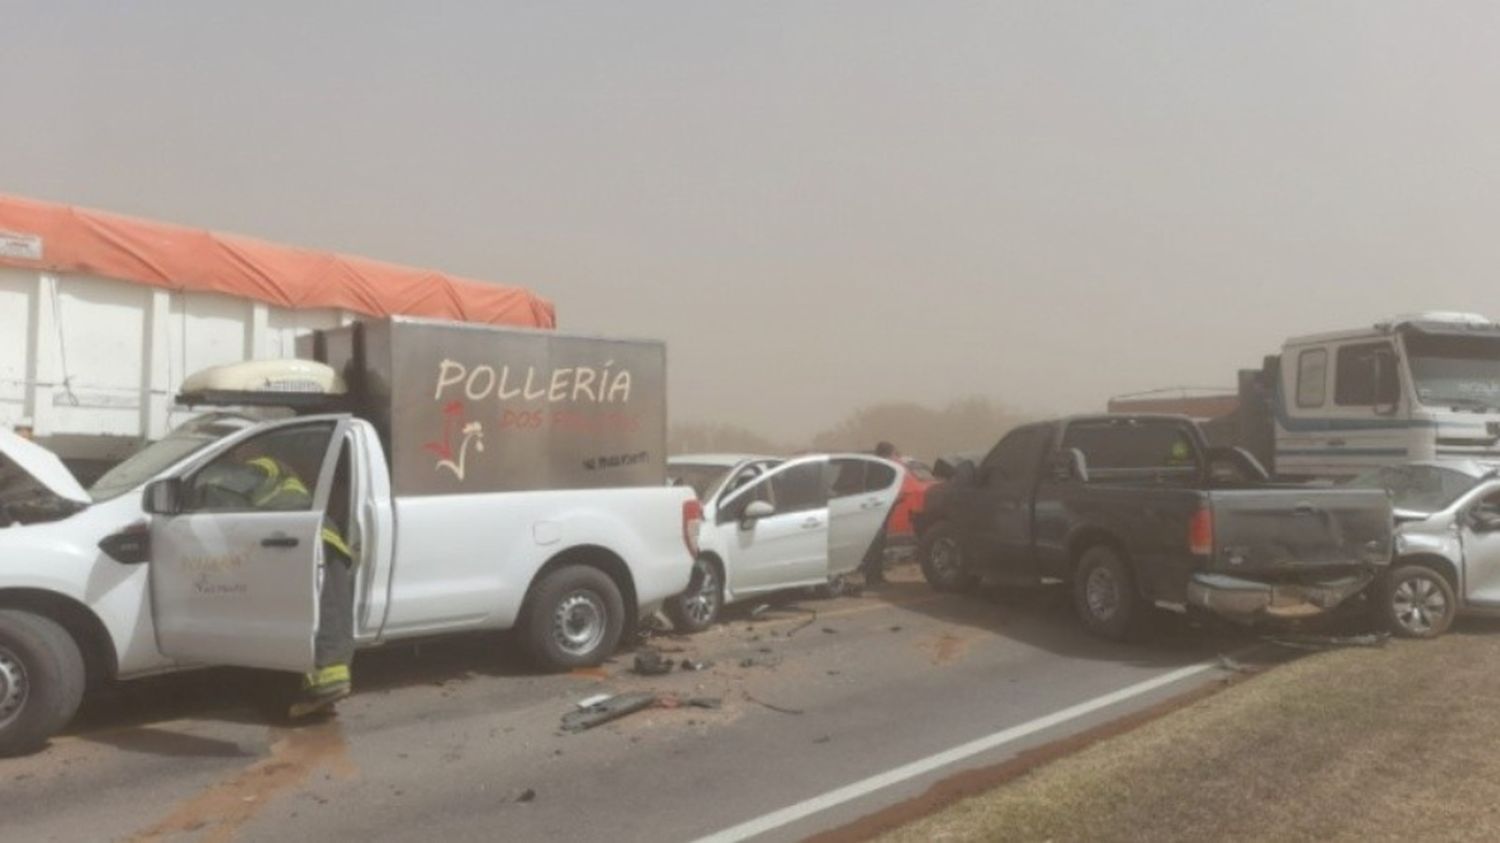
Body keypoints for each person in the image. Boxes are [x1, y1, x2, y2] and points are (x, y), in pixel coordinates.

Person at [200, 446, 356, 719]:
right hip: (321, 535)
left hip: (300, 542)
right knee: (329, 613)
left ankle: (325, 686)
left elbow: (227, 517)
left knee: (315, 614)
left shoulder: (241, 474)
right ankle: (325, 691)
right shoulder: (274, 465)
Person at [862, 441, 900, 585]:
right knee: (876, 546)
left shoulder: (877, 466)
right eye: (893, 453)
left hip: (878, 511)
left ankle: (876, 575)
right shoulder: (881, 468)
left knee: (878, 545)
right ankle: (873, 577)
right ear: (887, 454)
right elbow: (881, 491)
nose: (895, 457)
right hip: (877, 512)